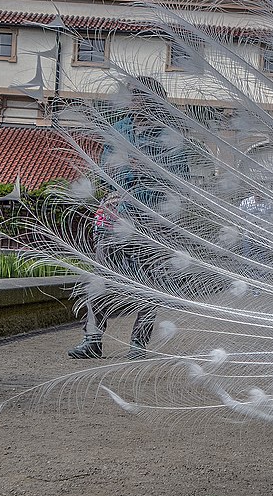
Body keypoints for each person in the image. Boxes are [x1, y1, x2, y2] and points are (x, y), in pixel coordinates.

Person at [69, 77, 189, 359]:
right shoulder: (119, 130)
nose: (134, 101)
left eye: (140, 96)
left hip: (151, 220)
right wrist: (116, 181)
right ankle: (93, 338)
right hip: (116, 216)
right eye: (132, 96)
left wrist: (150, 172)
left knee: (148, 283)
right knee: (100, 275)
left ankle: (138, 342)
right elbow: (104, 168)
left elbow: (182, 180)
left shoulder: (170, 136)